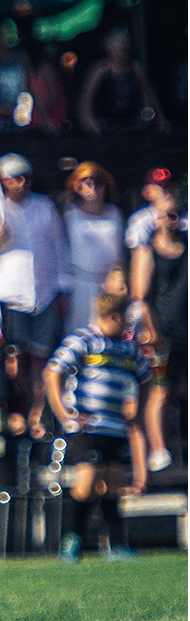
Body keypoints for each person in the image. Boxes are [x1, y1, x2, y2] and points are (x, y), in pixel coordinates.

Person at [45, 293, 150, 563]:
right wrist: (62, 411)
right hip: (87, 426)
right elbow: (53, 371)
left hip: (115, 426)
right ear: (112, 316)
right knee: (87, 481)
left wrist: (139, 406)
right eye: (124, 320)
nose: (128, 326)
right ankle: (73, 538)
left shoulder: (128, 349)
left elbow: (146, 377)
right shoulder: (83, 341)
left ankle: (115, 544)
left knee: (114, 483)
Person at [0, 153, 70, 438]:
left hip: (43, 292)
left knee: (40, 358)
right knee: (12, 357)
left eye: (23, 177)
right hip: (7, 294)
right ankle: (15, 412)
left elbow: (58, 248)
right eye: (12, 178)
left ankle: (36, 415)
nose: (19, 184)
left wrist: (62, 289)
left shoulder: (44, 207)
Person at [128, 178, 186, 474]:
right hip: (161, 332)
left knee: (183, 389)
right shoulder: (148, 248)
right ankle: (159, 448)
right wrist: (152, 331)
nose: (173, 220)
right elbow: (141, 294)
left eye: (177, 214)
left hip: (186, 332)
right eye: (167, 215)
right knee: (160, 390)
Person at [62, 162, 125, 331]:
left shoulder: (115, 214)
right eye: (84, 181)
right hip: (79, 284)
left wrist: (118, 278)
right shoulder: (69, 214)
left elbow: (120, 252)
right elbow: (60, 252)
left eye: (97, 182)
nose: (91, 187)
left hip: (109, 285)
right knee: (79, 332)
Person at [76, 29, 170, 136]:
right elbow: (86, 96)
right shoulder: (100, 69)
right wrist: (87, 119)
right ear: (108, 47)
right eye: (118, 43)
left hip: (131, 124)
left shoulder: (134, 67)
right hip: (105, 125)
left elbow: (149, 91)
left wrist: (160, 117)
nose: (123, 47)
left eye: (125, 43)